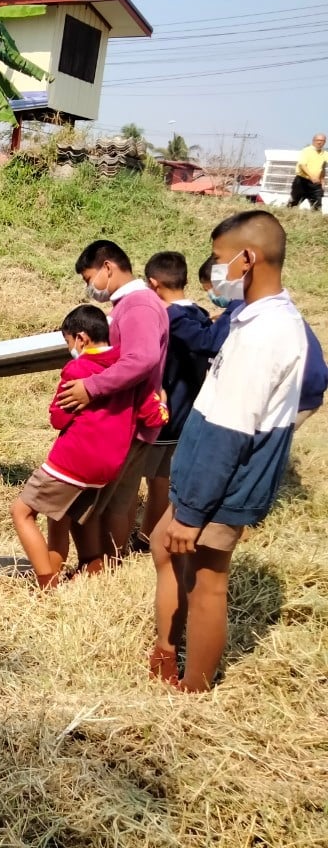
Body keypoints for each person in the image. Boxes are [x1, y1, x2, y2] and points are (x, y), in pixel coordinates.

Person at [151, 210, 308, 692]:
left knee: (207, 581)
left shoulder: (266, 334)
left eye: (220, 259)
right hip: (205, 473)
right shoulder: (256, 316)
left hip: (224, 480)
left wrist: (192, 512)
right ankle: (166, 648)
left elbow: (230, 430)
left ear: (248, 259)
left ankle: (193, 685)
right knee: (162, 544)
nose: (215, 270)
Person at [60, 241, 168, 570]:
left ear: (108, 268)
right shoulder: (135, 304)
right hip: (135, 417)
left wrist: (92, 388)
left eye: (89, 277)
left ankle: (98, 564)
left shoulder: (138, 306)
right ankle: (109, 563)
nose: (89, 287)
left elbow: (143, 358)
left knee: (102, 500)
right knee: (121, 499)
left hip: (126, 419)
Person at [10, 305, 135, 588]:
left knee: (21, 511)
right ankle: (91, 567)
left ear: (81, 339)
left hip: (74, 459)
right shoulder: (126, 366)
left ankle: (46, 584)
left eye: (68, 342)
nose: (70, 348)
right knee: (70, 514)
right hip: (108, 463)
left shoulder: (78, 368)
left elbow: (59, 417)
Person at [190, 259, 327, 430]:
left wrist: (176, 319)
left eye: (211, 289)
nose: (212, 296)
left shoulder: (241, 305)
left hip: (297, 391)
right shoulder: (261, 300)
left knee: (257, 445)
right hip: (310, 383)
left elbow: (209, 343)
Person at [135, 252, 213, 549]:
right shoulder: (200, 315)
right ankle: (148, 535)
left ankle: (144, 539)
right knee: (164, 483)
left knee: (150, 484)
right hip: (189, 416)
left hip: (162, 418)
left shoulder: (166, 319)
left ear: (153, 284)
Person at [290, 133, 326, 212]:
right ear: (313, 141)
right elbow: (302, 165)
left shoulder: (325, 153)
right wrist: (311, 176)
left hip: (316, 184)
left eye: (322, 141)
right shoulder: (306, 151)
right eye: (318, 140)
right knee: (294, 202)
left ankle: (316, 222)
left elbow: (323, 168)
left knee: (317, 206)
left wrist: (323, 181)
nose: (320, 142)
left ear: (325, 142)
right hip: (302, 181)